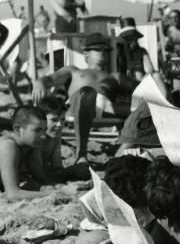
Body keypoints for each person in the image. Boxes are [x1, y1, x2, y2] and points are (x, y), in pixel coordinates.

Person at [32, 33, 138, 163]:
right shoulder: (74, 71)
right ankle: (81, 154)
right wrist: (40, 82)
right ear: (86, 53)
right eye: (97, 49)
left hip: (108, 111)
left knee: (147, 110)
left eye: (105, 50)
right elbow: (50, 79)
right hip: (79, 106)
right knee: (87, 93)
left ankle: (119, 156)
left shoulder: (115, 76)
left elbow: (143, 88)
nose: (102, 52)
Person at [0, 106, 56, 200]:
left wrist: (59, 188)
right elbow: (12, 194)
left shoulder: (30, 145)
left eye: (44, 130)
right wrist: (55, 193)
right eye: (37, 130)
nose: (43, 136)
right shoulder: (8, 146)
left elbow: (41, 177)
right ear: (17, 129)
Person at [37, 96, 90, 182]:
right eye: (54, 120)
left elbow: (57, 166)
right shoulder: (35, 139)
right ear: (41, 120)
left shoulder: (55, 136)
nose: (59, 125)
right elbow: (39, 174)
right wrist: (72, 171)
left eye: (62, 120)